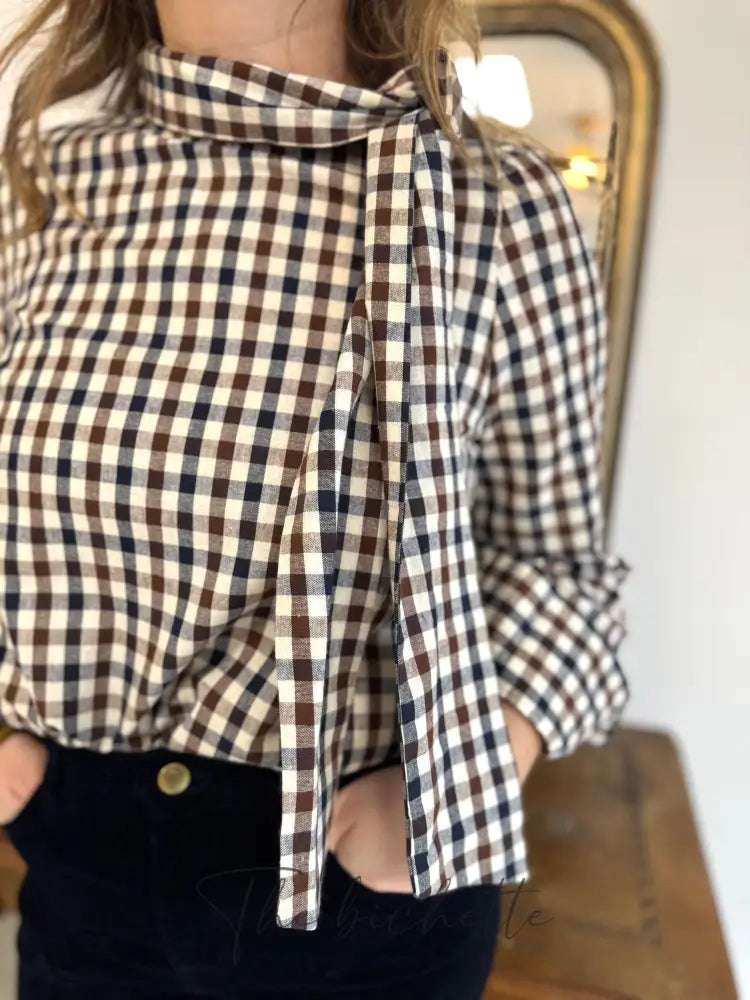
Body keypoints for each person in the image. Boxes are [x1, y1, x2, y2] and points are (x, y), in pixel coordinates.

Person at [0, 0, 632, 997]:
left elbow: (560, 569)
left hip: (365, 889)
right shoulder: (46, 184)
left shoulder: (499, 205)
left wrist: (445, 790)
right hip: (88, 876)